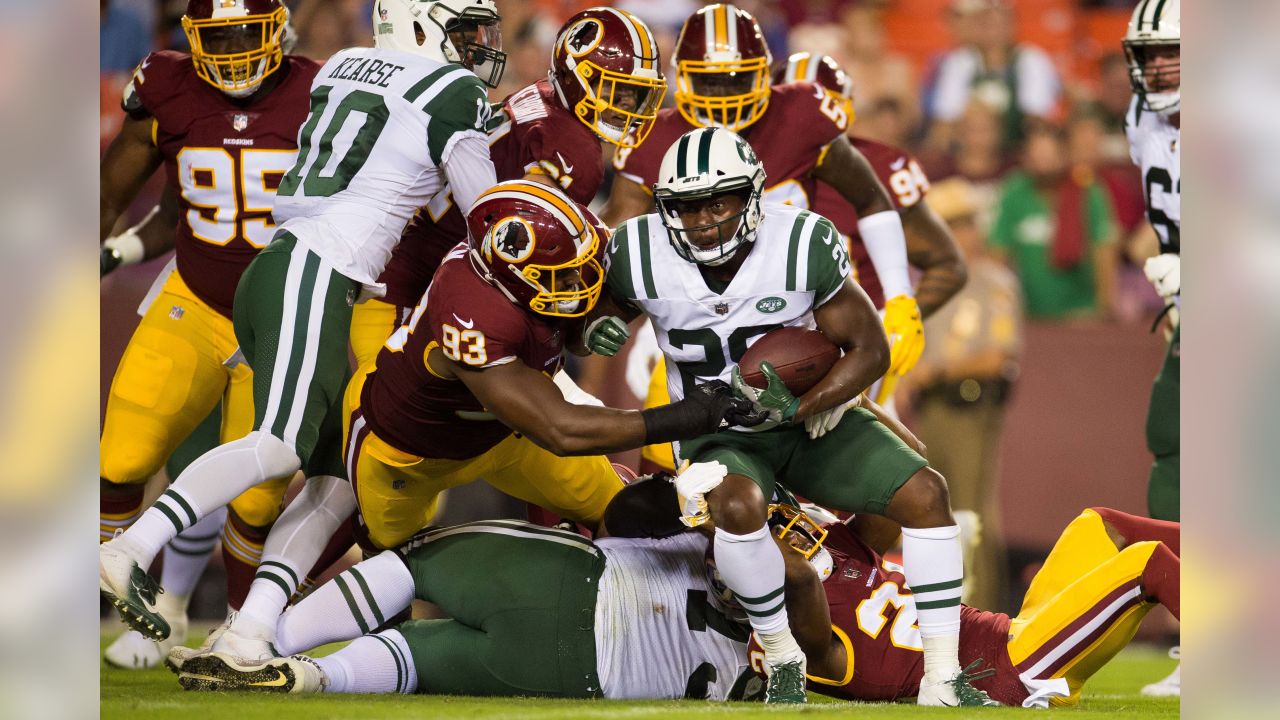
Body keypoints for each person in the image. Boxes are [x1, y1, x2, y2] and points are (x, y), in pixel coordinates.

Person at [100, 0, 508, 644]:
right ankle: (129, 548)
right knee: (281, 446)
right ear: (424, 26)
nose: (475, 46)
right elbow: (493, 216)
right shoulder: (449, 88)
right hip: (315, 272)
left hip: (282, 268)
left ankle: (247, 631)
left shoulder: (343, 65)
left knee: (334, 472)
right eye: (462, 30)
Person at [586, 126, 976, 706]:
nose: (705, 220)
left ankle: (943, 678)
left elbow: (871, 347)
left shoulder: (800, 241)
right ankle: (784, 656)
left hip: (803, 420)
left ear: (753, 196)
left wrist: (810, 402)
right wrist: (593, 326)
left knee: (925, 493)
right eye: (687, 207)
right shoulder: (637, 250)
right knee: (738, 508)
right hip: (715, 429)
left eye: (719, 201)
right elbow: (586, 313)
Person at [594, 3, 922, 469]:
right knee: (669, 464)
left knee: (885, 459)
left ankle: (835, 539)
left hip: (797, 308)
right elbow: (619, 229)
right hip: (700, 303)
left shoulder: (802, 111)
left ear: (766, 74)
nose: (722, 95)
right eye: (707, 80)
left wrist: (901, 296)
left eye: (735, 80)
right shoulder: (654, 135)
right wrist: (641, 312)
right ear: (682, 77)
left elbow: (870, 199)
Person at [98, 0, 320, 668]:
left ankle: (236, 627)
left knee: (255, 499)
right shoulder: (166, 83)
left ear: (277, 29)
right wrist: (108, 249)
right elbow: (126, 196)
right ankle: (135, 601)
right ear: (190, 37)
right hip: (193, 299)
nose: (229, 50)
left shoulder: (323, 92)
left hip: (278, 316)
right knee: (121, 459)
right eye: (215, 36)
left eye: (243, 34)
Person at [177, 468, 764, 701]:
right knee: (416, 660)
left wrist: (682, 492)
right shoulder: (775, 672)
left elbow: (621, 514)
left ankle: (260, 644)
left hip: (580, 586)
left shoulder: (736, 536)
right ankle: (315, 676)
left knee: (415, 562)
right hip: (580, 681)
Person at [351, 5, 668, 369]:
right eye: (616, 90)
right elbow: (532, 246)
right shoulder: (575, 151)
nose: (627, 106)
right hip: (413, 294)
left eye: (635, 94)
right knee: (389, 415)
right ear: (575, 77)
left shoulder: (545, 95)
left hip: (418, 278)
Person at [765, 502, 1180, 708]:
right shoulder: (795, 632)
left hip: (1016, 631)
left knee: (1098, 524)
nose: (787, 526)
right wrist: (735, 526)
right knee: (1146, 562)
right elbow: (799, 579)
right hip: (1013, 673)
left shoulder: (837, 548)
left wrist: (851, 404)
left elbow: (901, 482)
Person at [773, 52, 967, 411]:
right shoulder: (746, 160)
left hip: (854, 353)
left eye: (821, 106)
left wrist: (892, 323)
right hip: (767, 344)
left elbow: (947, 263)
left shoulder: (879, 168)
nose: (807, 119)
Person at [904, 178, 1023, 612]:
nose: (961, 233)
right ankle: (946, 605)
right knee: (938, 509)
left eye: (965, 223)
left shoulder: (991, 281)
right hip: (932, 407)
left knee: (971, 512)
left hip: (968, 403)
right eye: (951, 224)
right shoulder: (932, 282)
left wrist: (936, 371)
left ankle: (983, 610)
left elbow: (998, 356)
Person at [1122, 0, 1181, 697]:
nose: (1157, 64)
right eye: (1148, 52)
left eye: (1172, 50)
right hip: (1192, 312)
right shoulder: (1143, 118)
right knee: (1170, 447)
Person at [988, 123, 1119, 321]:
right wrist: (1000, 311)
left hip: (1081, 315)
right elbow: (997, 255)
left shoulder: (1087, 190)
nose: (1043, 164)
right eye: (1037, 157)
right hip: (1028, 317)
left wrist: (1104, 308)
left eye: (1049, 157)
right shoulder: (1014, 192)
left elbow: (1104, 250)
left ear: (1065, 155)